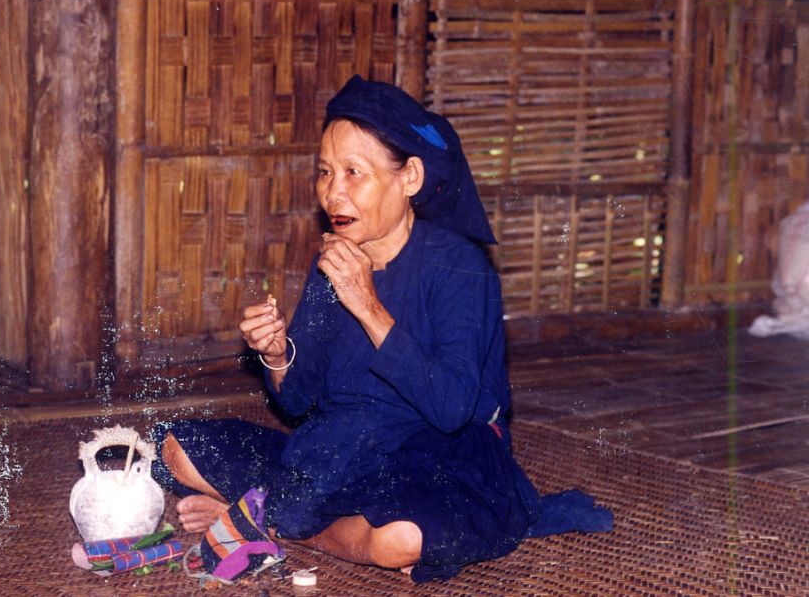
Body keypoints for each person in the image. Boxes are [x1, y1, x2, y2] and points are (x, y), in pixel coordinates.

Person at [152, 75, 612, 584]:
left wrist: (369, 305)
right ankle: (276, 515)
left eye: (354, 172)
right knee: (178, 446)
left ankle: (263, 519)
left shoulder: (461, 268)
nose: (334, 193)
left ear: (409, 177)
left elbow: (452, 408)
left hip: (435, 452)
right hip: (340, 448)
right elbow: (297, 403)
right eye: (326, 172)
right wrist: (279, 354)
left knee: (401, 539)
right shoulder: (334, 263)